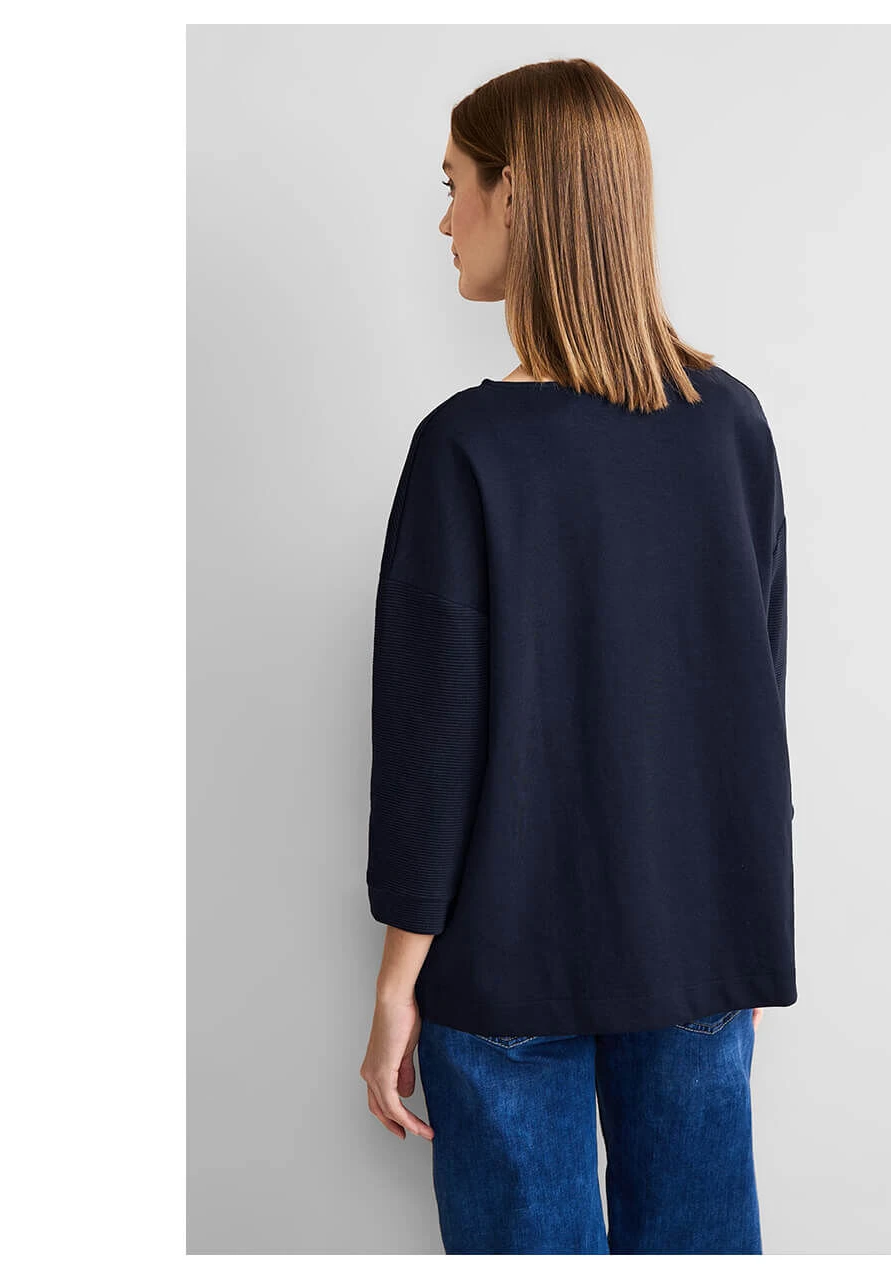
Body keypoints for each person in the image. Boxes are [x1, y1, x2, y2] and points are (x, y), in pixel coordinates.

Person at [358, 57, 795, 1255]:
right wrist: (743, 925)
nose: (445, 220)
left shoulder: (465, 449)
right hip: (695, 944)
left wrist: (395, 981)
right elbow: (754, 695)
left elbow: (430, 746)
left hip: (504, 959)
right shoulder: (731, 425)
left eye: (453, 184)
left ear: (517, 192)